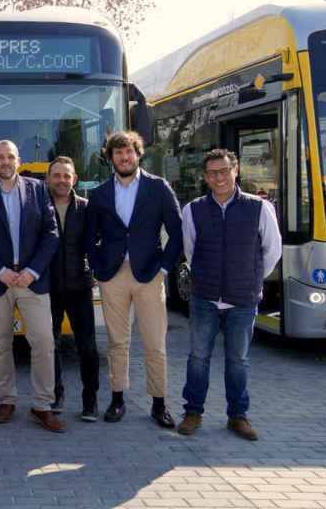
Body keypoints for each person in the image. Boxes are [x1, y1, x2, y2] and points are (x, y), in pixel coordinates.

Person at [177, 149, 281, 441]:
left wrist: (249, 280)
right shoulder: (193, 209)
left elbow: (272, 251)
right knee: (198, 357)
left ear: (236, 171)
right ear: (205, 177)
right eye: (212, 173)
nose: (218, 178)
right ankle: (193, 412)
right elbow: (190, 251)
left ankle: (238, 416)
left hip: (242, 299)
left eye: (223, 171)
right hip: (205, 298)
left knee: (238, 361)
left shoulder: (259, 208)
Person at [85, 131, 182, 427]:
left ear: (138, 154)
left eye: (128, 152)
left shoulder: (158, 187)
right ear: (110, 157)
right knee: (117, 342)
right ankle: (117, 399)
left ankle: (159, 403)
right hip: (113, 276)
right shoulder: (100, 193)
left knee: (155, 343)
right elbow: (90, 237)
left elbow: (177, 231)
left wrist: (164, 268)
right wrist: (99, 270)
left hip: (149, 275)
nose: (124, 157)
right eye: (118, 153)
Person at [0, 140, 63, 433]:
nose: (5, 161)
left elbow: (50, 234)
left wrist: (33, 271)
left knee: (44, 342)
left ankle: (42, 405)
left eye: (10, 156)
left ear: (18, 159)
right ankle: (6, 400)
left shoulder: (37, 189)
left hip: (32, 280)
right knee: (0, 343)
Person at [46, 156, 101, 422]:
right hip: (49, 287)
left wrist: (96, 272)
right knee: (50, 345)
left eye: (67, 176)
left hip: (80, 287)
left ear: (75, 179)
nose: (62, 180)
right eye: (57, 175)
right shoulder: (40, 206)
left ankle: (90, 401)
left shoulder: (87, 208)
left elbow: (97, 244)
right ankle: (56, 395)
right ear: (48, 179)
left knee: (87, 347)